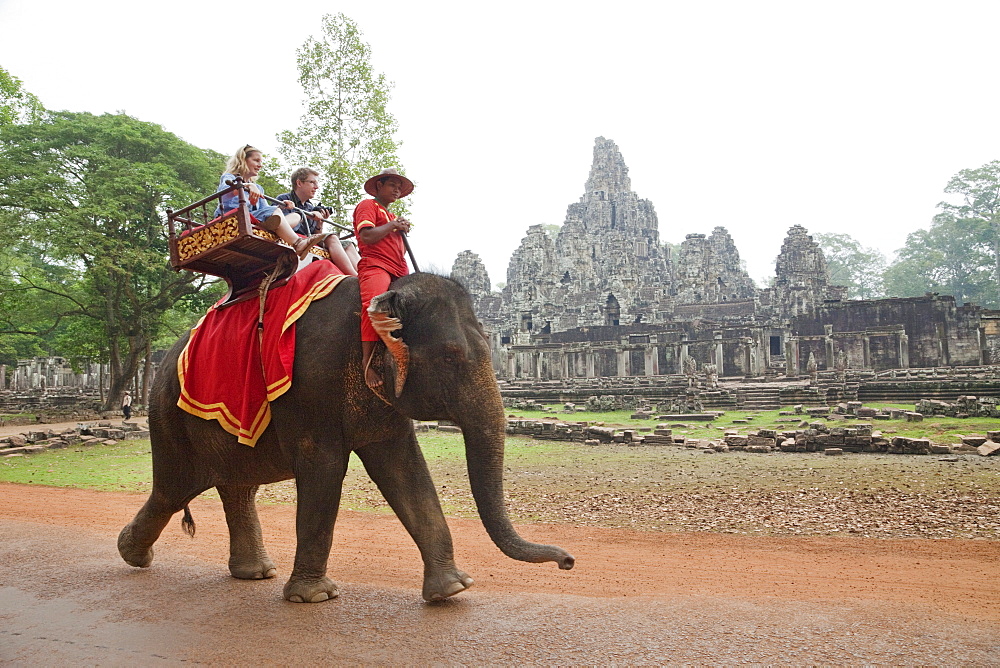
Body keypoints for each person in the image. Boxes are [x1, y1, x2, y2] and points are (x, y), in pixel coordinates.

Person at [355, 168, 414, 389]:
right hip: (376, 264)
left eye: (400, 187)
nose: (397, 190)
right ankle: (367, 362)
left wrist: (398, 228)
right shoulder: (367, 206)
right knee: (375, 305)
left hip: (399, 267)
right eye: (392, 185)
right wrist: (393, 226)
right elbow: (367, 236)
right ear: (379, 186)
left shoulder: (391, 216)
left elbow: (399, 250)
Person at [217, 145, 329, 260]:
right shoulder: (229, 177)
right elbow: (225, 193)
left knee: (296, 215)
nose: (260, 165)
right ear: (243, 160)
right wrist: (247, 186)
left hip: (253, 219)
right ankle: (297, 243)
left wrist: (282, 206)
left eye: (260, 161)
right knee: (274, 212)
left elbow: (265, 210)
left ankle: (277, 228)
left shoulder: (258, 188)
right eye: (256, 160)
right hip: (233, 217)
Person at [276, 167, 359, 276]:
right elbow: (282, 224)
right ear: (299, 183)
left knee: (348, 244)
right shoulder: (284, 199)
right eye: (312, 182)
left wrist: (319, 224)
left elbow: (316, 235)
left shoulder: (310, 206)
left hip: (309, 238)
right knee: (332, 237)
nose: (316, 187)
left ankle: (365, 274)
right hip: (294, 238)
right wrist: (307, 216)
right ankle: (354, 276)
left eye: (317, 183)